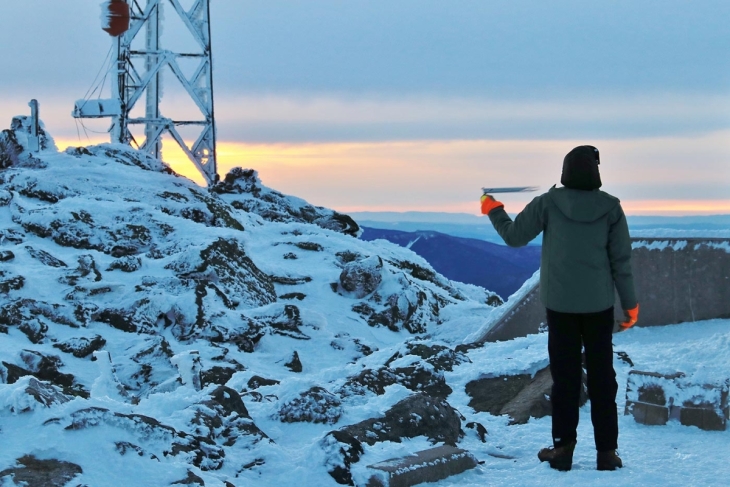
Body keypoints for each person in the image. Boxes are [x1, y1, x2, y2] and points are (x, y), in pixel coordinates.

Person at [480, 145, 639, 472]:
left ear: (566, 171)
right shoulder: (610, 208)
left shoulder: (549, 204)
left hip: (561, 306)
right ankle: (607, 453)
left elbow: (514, 237)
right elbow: (621, 261)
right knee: (602, 378)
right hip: (598, 306)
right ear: (595, 173)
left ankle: (563, 450)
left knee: (565, 378)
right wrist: (631, 305)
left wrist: (493, 208)